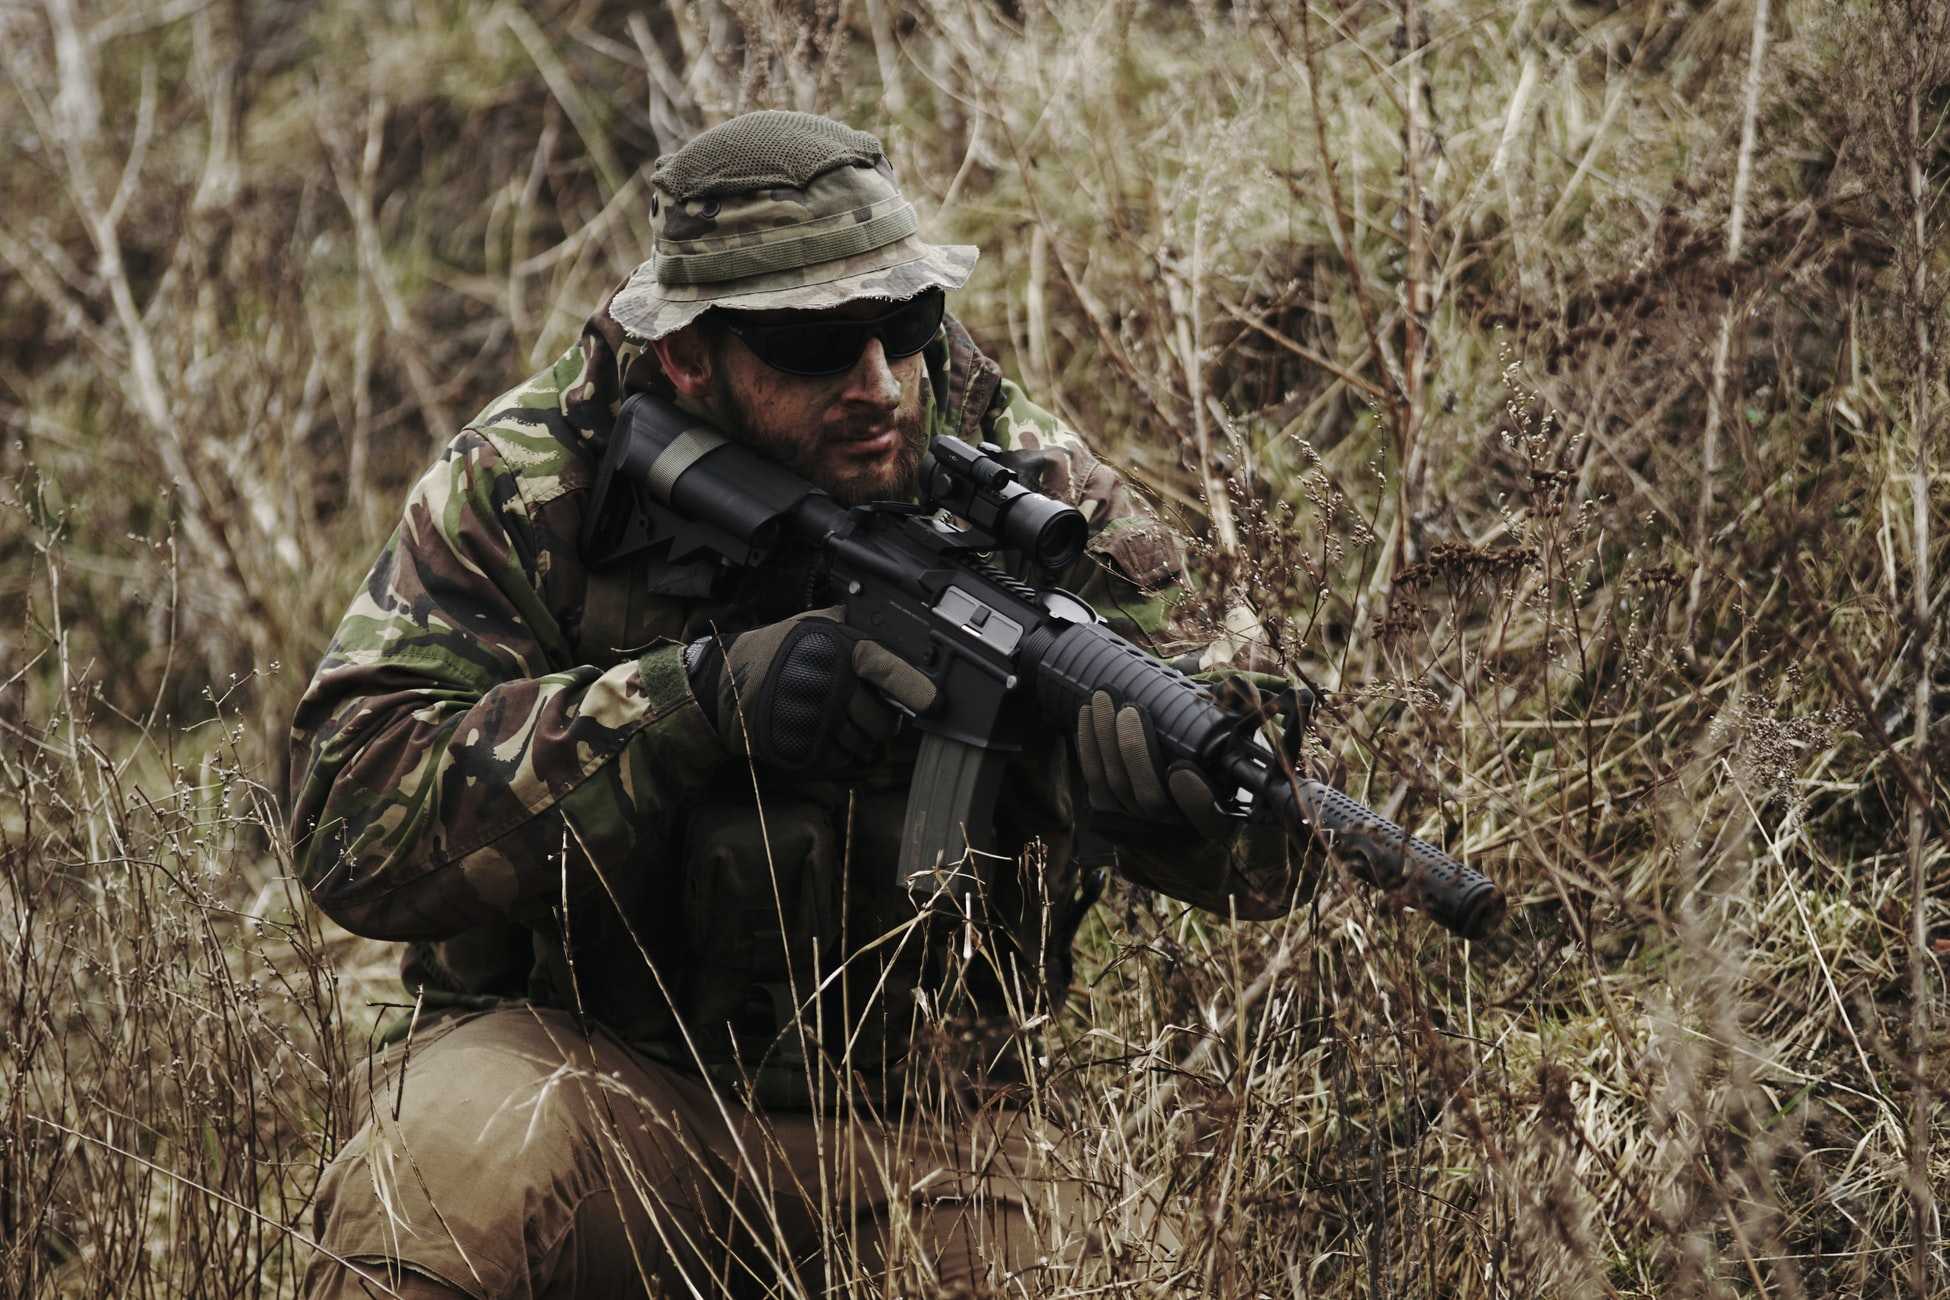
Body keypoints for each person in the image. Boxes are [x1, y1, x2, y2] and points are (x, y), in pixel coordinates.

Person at [290, 110, 1310, 1300]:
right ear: (687, 355)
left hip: (924, 1127)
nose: (877, 384)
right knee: (442, 1172)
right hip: (593, 1080)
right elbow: (349, 820)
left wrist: (1154, 799)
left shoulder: (1024, 482)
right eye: (815, 344)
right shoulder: (531, 482)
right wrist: (685, 705)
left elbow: (1266, 849)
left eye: (905, 325)